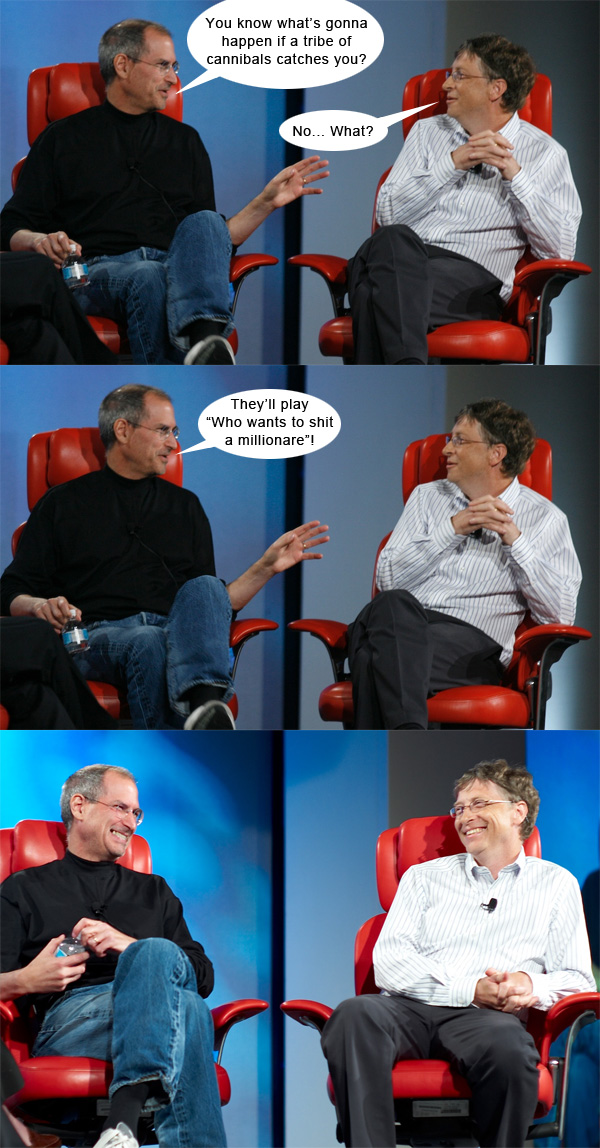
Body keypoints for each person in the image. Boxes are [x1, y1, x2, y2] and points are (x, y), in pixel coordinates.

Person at [0, 383, 329, 730]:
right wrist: (38, 606)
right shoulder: (62, 504)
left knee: (205, 586)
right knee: (148, 640)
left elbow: (212, 607)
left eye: (175, 432)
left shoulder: (186, 507)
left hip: (176, 633)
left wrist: (266, 567)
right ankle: (200, 723)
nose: (173, 444)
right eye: (162, 431)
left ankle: (204, 706)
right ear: (123, 430)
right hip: (96, 637)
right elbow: (9, 591)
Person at [0, 18, 328, 365]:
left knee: (204, 221)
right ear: (123, 65)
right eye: (162, 66)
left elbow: (212, 243)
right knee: (148, 275)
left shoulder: (186, 142)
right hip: (96, 272)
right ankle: (199, 353)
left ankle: (204, 339)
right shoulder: (62, 139)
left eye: (175, 67)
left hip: (176, 268)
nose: (173, 79)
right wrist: (38, 241)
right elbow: (9, 226)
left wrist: (266, 202)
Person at [321, 760, 596, 1148]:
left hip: (489, 1021)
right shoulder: (423, 877)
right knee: (354, 1014)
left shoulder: (556, 884)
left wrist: (529, 985)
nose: (465, 817)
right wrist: (470, 988)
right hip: (408, 1010)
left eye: (479, 804)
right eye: (460, 808)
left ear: (518, 811)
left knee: (508, 1046)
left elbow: (578, 982)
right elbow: (390, 963)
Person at [0, 763, 226, 1148]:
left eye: (136, 812)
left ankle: (120, 1129)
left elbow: (203, 976)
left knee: (174, 985)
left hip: (153, 1014)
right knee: (187, 1010)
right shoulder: (24, 888)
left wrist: (128, 945)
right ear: (80, 806)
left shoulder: (155, 892)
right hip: (71, 1024)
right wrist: (29, 978)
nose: (131, 822)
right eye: (121, 808)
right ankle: (124, 1119)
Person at [347, 34, 582, 363]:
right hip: (398, 257)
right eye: (449, 75)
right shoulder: (426, 133)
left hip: (470, 286)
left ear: (496, 88)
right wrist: (453, 163)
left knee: (370, 290)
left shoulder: (545, 154)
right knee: (391, 240)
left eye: (459, 75)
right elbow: (387, 214)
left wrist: (516, 177)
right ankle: (408, 366)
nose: (446, 85)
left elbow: (561, 250)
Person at [347, 399, 581, 729]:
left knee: (370, 655)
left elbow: (561, 615)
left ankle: (395, 743)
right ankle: (409, 737)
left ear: (496, 454)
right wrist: (453, 527)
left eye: (459, 440)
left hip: (470, 652)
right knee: (392, 605)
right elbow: (387, 579)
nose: (446, 450)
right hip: (399, 622)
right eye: (449, 440)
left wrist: (516, 542)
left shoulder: (545, 519)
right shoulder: (426, 498)